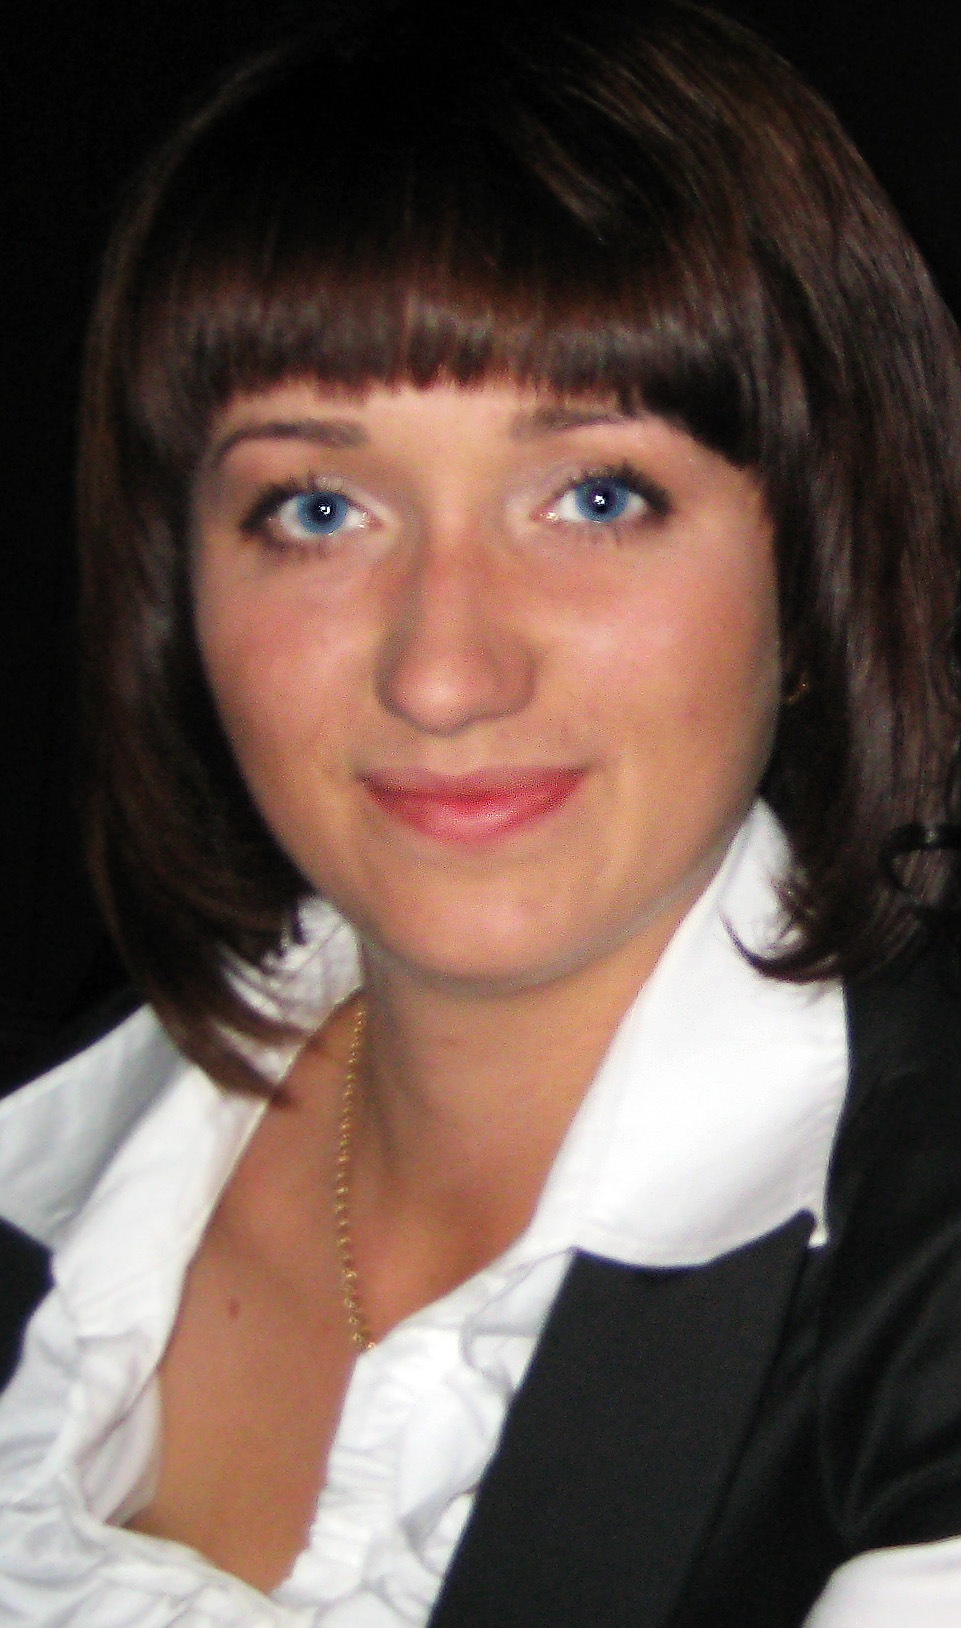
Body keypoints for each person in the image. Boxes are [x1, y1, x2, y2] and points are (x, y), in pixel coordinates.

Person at [2, 0, 961, 1621]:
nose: (443, 673)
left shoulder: (918, 1304)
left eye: (595, 497)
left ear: (814, 562)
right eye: (318, 508)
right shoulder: (66, 1123)